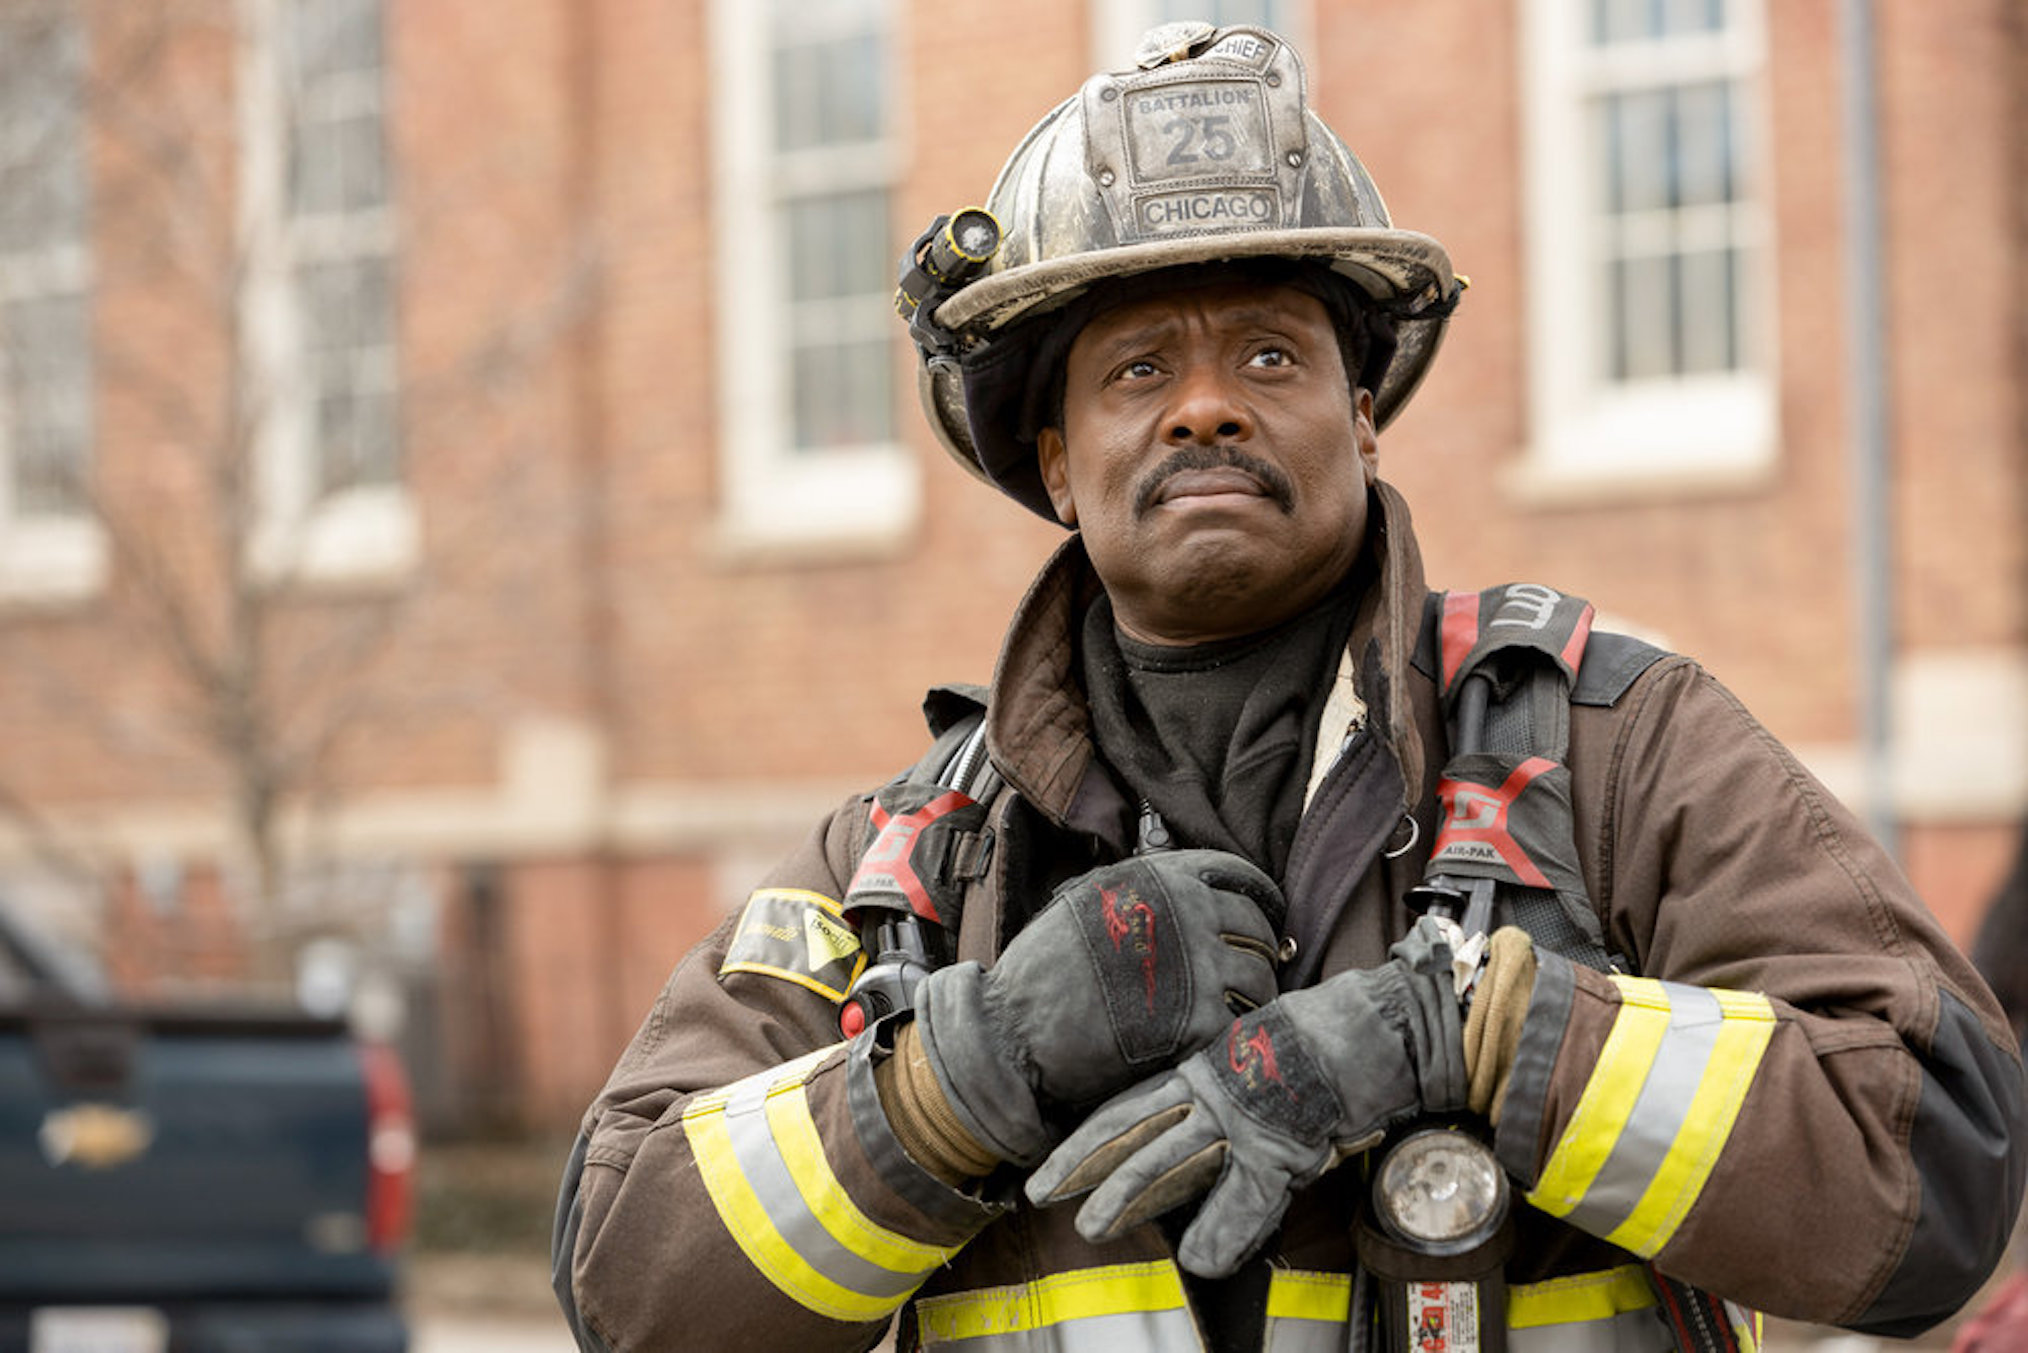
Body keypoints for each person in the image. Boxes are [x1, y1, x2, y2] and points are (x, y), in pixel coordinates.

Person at [552, 23, 2026, 1352]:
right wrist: (967, 1068)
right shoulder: (910, 868)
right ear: (1055, 462)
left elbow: (1941, 1172)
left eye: (1271, 351)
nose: (1206, 402)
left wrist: (1471, 1034)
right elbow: (629, 1288)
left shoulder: (1612, 749)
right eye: (1134, 371)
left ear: (1365, 414)